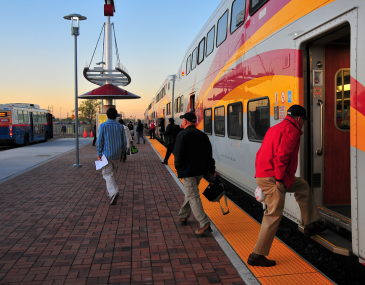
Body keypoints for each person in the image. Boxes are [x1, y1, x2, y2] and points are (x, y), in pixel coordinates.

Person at [248, 105, 326, 267]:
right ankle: (257, 255)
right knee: (273, 215)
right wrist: (279, 179)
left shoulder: (275, 128)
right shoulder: (292, 130)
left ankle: (311, 223)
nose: (304, 123)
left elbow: (259, 153)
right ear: (299, 119)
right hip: (274, 177)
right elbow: (281, 157)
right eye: (304, 120)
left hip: (265, 174)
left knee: (302, 186)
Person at [174, 112, 216, 237]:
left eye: (182, 121)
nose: (181, 123)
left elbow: (178, 156)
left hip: (188, 172)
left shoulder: (182, 135)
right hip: (200, 172)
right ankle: (183, 216)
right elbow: (209, 155)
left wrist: (178, 168)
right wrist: (211, 170)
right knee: (191, 193)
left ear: (186, 122)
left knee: (193, 196)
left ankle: (204, 224)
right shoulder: (203, 135)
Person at [97, 107, 126, 205]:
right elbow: (124, 141)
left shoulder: (103, 125)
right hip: (117, 155)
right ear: (116, 115)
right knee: (112, 174)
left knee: (107, 174)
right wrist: (123, 153)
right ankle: (113, 192)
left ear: (107, 115)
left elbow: (100, 140)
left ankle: (113, 193)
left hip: (106, 154)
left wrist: (99, 153)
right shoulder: (120, 126)